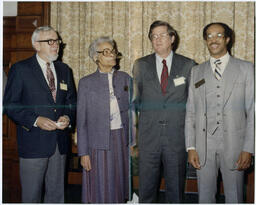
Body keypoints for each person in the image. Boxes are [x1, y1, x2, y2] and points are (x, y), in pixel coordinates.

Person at [3, 26, 77, 203]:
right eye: (50, 41)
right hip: (33, 144)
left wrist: (68, 117)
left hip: (59, 144)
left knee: (56, 196)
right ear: (36, 45)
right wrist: (36, 120)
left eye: (57, 41)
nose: (56, 45)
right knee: (31, 196)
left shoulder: (64, 69)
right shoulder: (21, 69)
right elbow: (10, 105)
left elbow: (72, 102)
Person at [185, 22, 254, 203]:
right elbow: (191, 112)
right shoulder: (196, 71)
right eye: (209, 36)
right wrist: (191, 147)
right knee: (205, 198)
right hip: (203, 147)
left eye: (218, 35)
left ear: (228, 39)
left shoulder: (246, 69)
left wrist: (248, 149)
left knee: (235, 197)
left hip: (235, 146)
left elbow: (253, 112)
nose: (213, 40)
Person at [132, 20, 196, 203]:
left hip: (176, 137)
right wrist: (134, 137)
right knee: (146, 188)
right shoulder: (141, 65)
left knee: (175, 189)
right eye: (154, 36)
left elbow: (193, 104)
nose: (157, 39)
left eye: (162, 35)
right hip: (148, 138)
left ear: (172, 38)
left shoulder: (188, 65)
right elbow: (135, 103)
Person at [77, 36, 134, 203]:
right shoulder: (86, 83)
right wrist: (83, 152)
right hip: (97, 143)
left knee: (119, 183)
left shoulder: (125, 78)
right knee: (100, 185)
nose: (112, 55)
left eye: (113, 51)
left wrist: (134, 142)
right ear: (96, 57)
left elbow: (134, 112)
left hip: (121, 139)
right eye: (106, 52)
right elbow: (82, 121)